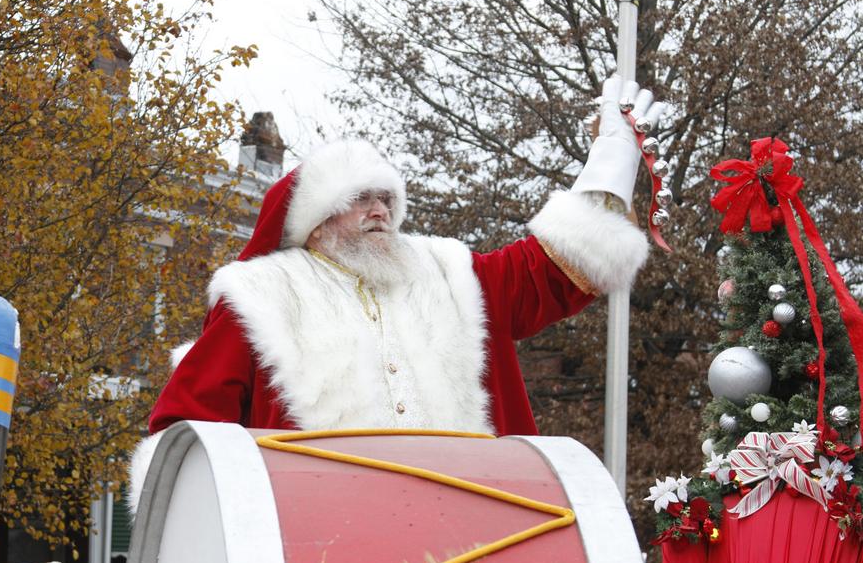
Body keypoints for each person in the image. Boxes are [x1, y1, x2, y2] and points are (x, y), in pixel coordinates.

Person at [149, 76, 662, 438]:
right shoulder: (263, 298)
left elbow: (549, 270)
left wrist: (611, 165)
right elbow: (190, 428)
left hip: (464, 523)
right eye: (361, 199)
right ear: (316, 222)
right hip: (319, 545)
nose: (379, 211)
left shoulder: (449, 272)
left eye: (386, 199)